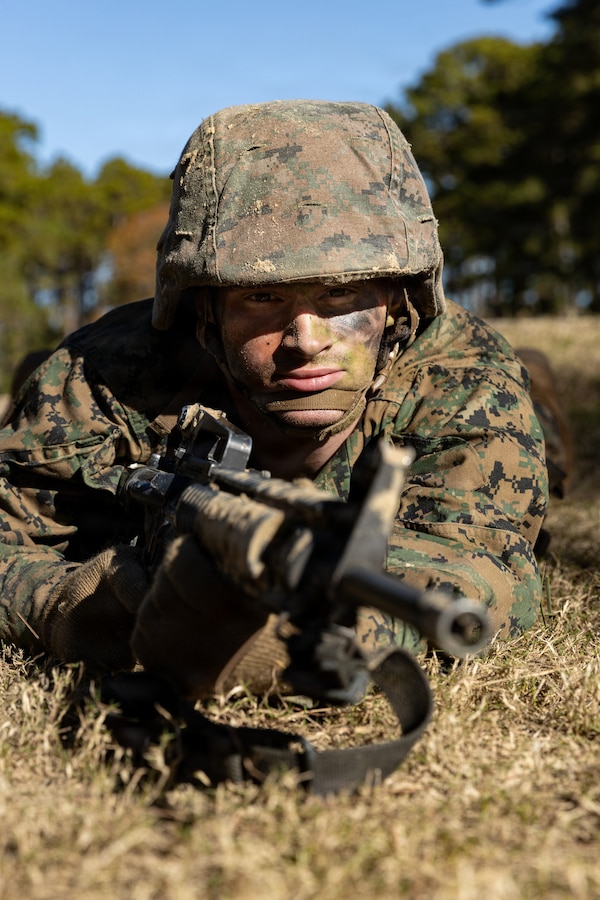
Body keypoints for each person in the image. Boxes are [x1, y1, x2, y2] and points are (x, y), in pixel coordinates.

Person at [0, 100, 548, 700]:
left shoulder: (463, 380)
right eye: (262, 298)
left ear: (397, 300)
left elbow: (481, 562)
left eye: (341, 295)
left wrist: (318, 636)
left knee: (533, 414)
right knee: (43, 387)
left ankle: (542, 395)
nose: (305, 341)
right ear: (205, 310)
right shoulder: (108, 370)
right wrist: (66, 605)